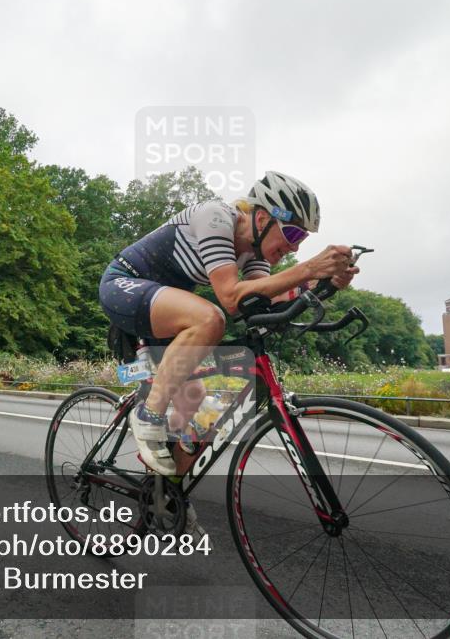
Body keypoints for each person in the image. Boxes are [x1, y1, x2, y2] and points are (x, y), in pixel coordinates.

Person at [99, 171, 359, 479]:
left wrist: (324, 282)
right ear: (262, 219)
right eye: (293, 235)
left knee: (195, 401)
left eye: (301, 240)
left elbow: (271, 293)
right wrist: (309, 268)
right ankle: (148, 415)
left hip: (166, 307)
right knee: (210, 318)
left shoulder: (253, 253)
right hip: (124, 285)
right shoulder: (216, 217)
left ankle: (166, 498)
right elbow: (231, 298)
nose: (295, 249)